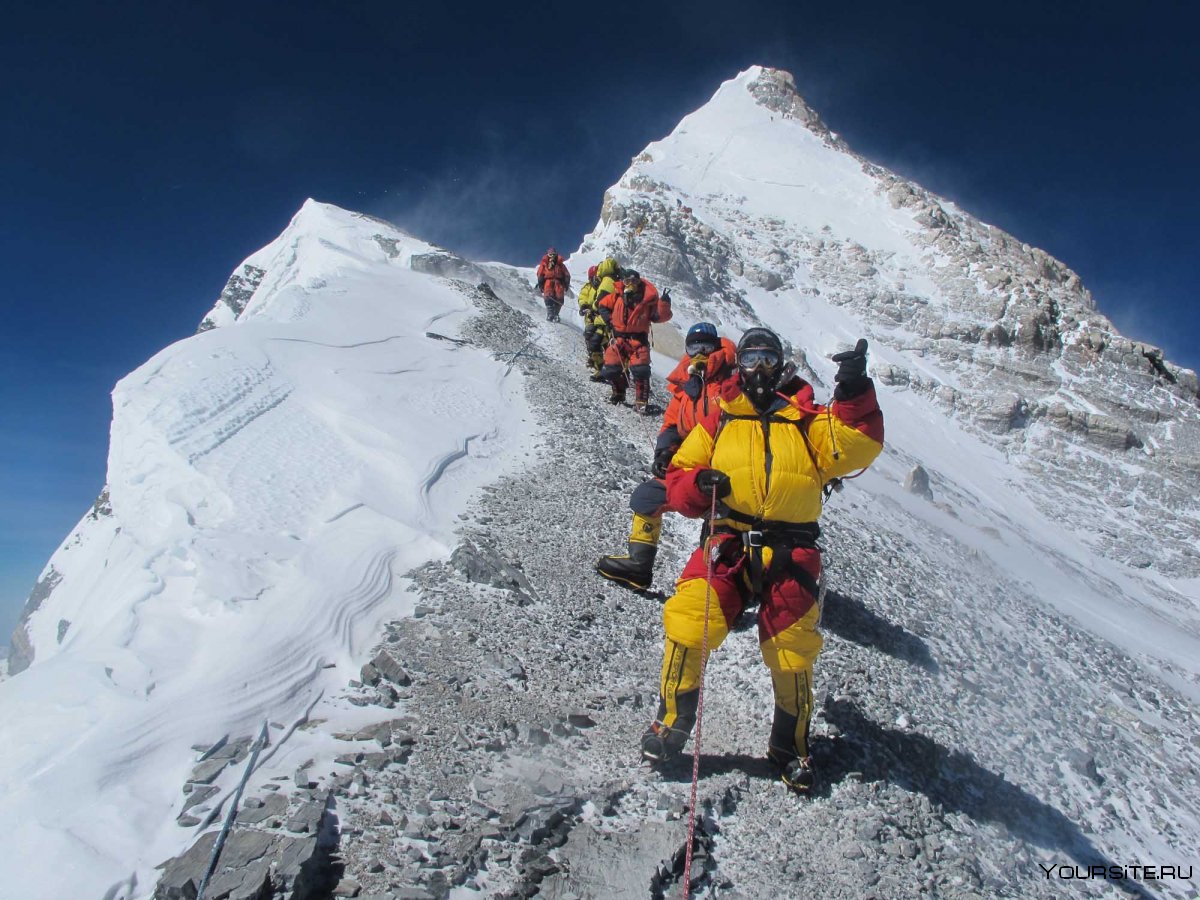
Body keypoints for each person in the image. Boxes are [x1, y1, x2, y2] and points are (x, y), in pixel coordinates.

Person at [639, 329, 884, 793]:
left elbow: (856, 444)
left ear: (782, 364)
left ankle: (790, 747)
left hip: (792, 551)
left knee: (792, 650)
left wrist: (853, 391)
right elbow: (678, 477)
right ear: (739, 363)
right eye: (751, 357)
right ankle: (670, 724)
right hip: (727, 541)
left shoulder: (806, 418)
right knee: (690, 621)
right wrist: (697, 486)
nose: (760, 368)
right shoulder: (721, 418)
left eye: (768, 357)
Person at [596, 323, 738, 589]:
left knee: (720, 523)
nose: (700, 353)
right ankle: (639, 567)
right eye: (694, 347)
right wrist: (664, 452)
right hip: (690, 466)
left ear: (717, 347)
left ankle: (722, 587)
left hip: (726, 469)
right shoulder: (687, 385)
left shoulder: (733, 380)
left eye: (706, 347)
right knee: (647, 497)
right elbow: (673, 422)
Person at [597, 270, 672, 411]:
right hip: (618, 339)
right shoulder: (617, 295)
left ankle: (641, 401)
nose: (630, 285)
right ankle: (619, 391)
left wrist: (664, 305)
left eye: (634, 282)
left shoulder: (648, 300)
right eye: (627, 282)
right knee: (610, 370)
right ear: (623, 283)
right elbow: (602, 306)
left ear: (639, 283)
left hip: (638, 341)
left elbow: (659, 317)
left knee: (641, 370)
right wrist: (609, 321)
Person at [576, 265, 610, 381]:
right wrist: (585, 306)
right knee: (591, 339)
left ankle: (612, 368)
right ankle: (598, 365)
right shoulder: (588, 288)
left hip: (604, 319)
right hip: (591, 319)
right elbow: (582, 298)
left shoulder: (605, 287)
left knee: (608, 343)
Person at [535, 248, 570, 322]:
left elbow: (566, 275)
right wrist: (541, 284)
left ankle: (555, 314)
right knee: (549, 296)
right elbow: (540, 274)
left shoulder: (559, 264)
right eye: (551, 254)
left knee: (558, 297)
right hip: (550, 281)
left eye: (553, 254)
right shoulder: (546, 263)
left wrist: (566, 284)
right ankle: (551, 313)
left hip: (557, 282)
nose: (552, 256)